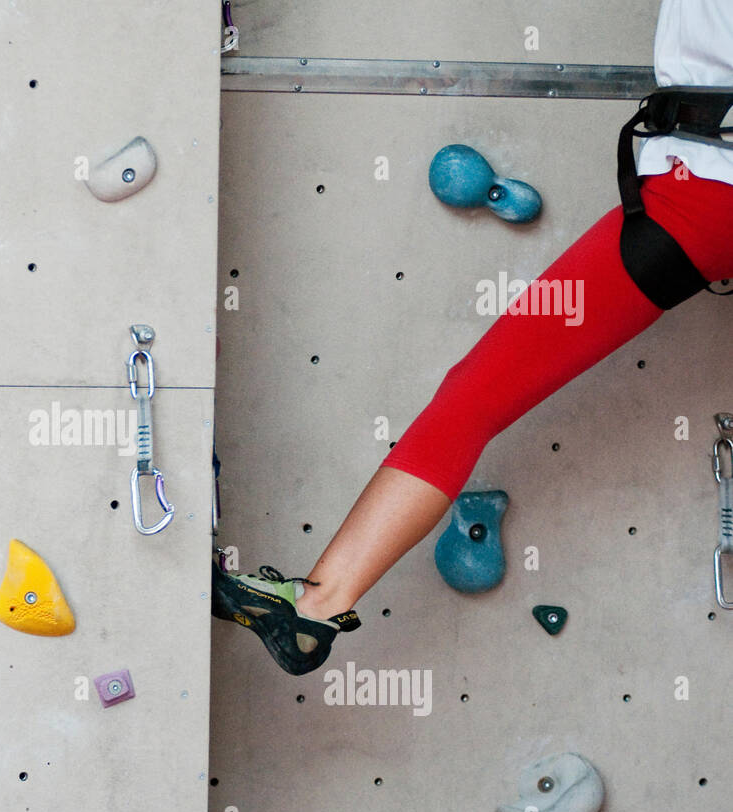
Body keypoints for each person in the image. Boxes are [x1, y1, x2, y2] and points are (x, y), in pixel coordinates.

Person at [212, 0, 733, 675]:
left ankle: (315, 608)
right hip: (699, 194)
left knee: (475, 398)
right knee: (473, 398)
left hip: (702, 195)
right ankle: (313, 606)